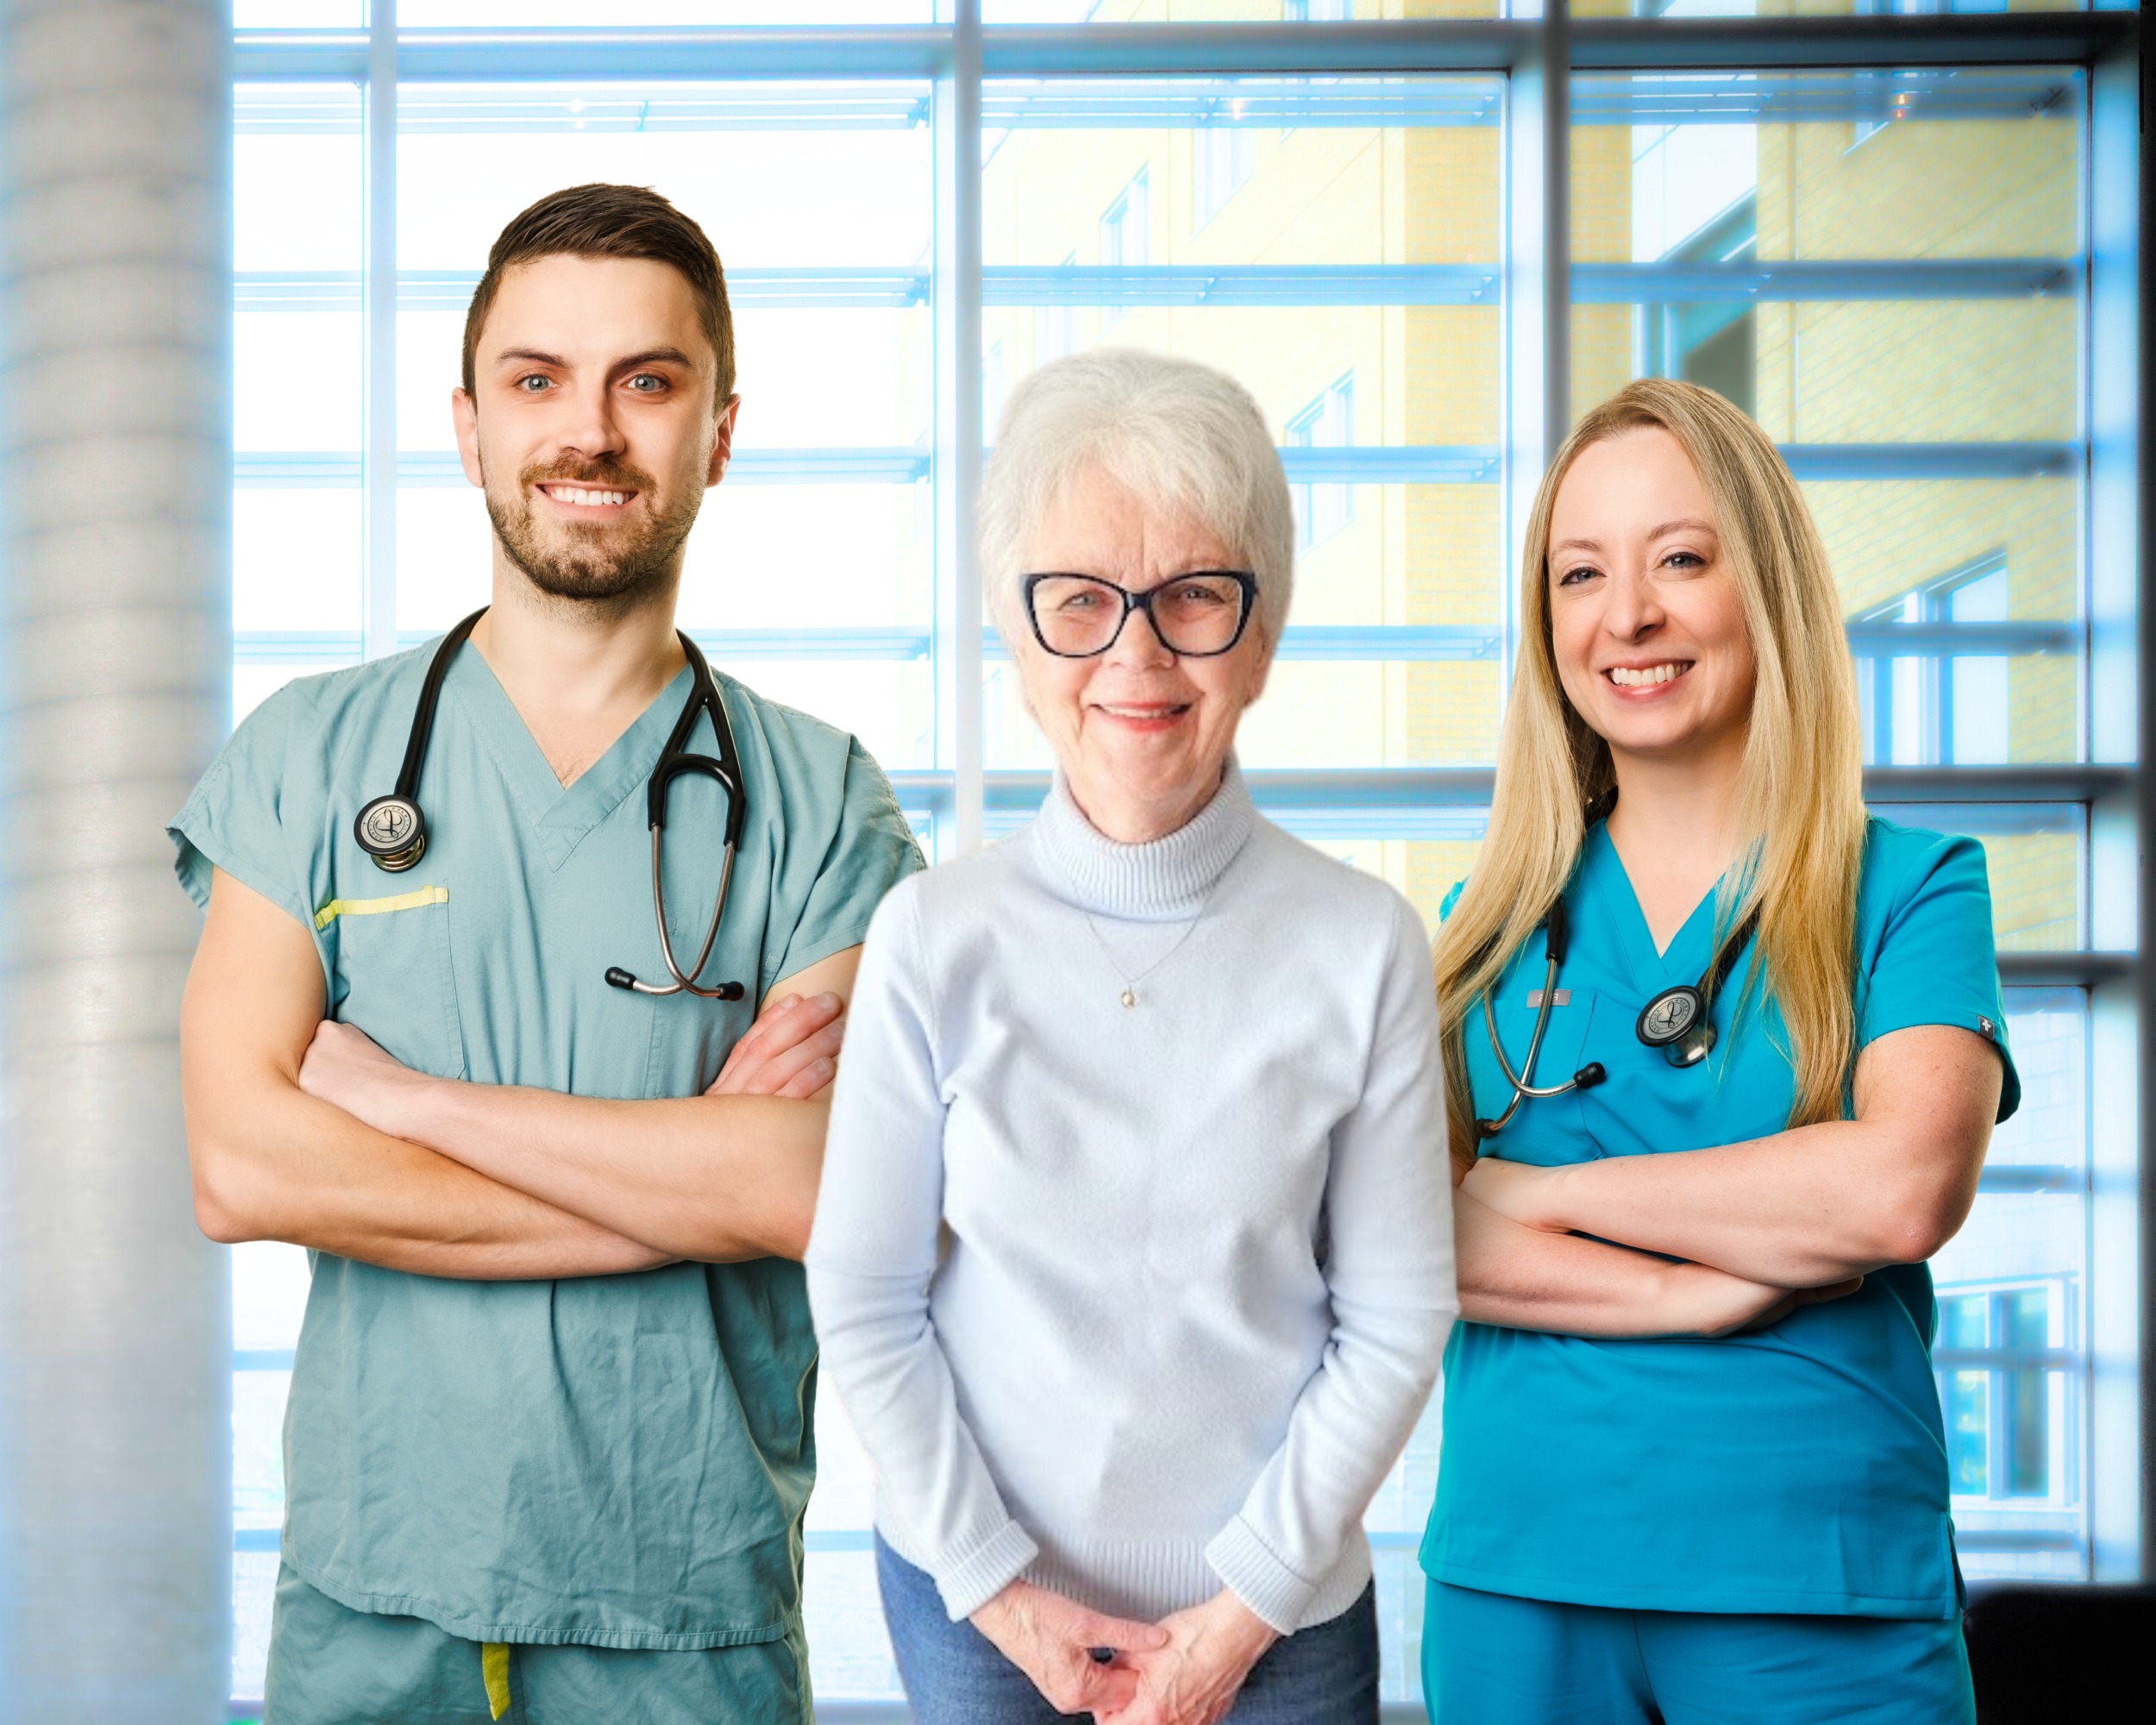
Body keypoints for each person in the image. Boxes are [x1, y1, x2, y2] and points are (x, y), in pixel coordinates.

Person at [173, 183, 920, 1724]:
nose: (590, 431)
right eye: (537, 380)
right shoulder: (310, 758)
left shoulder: (819, 800)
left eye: (647, 381)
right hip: (376, 1605)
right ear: (468, 426)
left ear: (718, 433)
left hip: (685, 1619)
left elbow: (811, 1190)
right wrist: (692, 1179)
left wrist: (405, 1105)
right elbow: (242, 1167)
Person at [805, 348, 1459, 1725]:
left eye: (1195, 594)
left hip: (1279, 1623)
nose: (1137, 652)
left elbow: (1396, 1319)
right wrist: (996, 1588)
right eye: (1080, 601)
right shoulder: (931, 937)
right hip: (980, 1609)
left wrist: (1241, 1614)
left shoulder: (1364, 943)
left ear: (1264, 633)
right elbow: (864, 1301)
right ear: (1016, 633)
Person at [1418, 378, 2018, 1725]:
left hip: (1814, 1583)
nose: (1628, 616)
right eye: (1581, 574)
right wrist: (1697, 1289)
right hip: (1519, 1578)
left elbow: (1899, 1192)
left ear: (1770, 588)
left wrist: (1539, 1192)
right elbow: (1404, 1237)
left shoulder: (1912, 889)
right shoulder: (1483, 932)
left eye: (1681, 560)